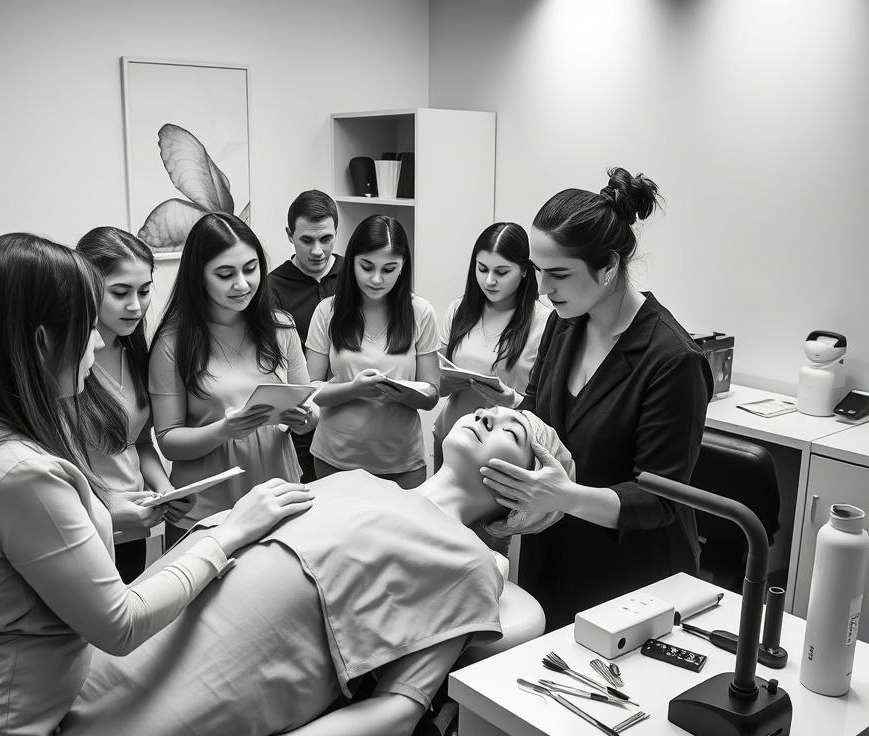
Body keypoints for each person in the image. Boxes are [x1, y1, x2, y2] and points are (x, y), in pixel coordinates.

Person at [0, 233, 313, 736]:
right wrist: (229, 532)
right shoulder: (17, 470)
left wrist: (113, 512)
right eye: (89, 328)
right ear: (43, 341)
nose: (97, 345)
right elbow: (121, 624)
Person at [39, 406, 568, 736]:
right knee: (48, 706)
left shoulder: (470, 561)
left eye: (513, 432)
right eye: (491, 411)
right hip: (174, 598)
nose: (487, 415)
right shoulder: (357, 478)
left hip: (236, 670)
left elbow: (398, 713)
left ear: (525, 492)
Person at [480, 167, 714, 631]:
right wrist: (502, 431)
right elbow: (538, 413)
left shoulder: (673, 359)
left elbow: (659, 499)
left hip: (633, 579)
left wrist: (563, 496)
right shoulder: (564, 324)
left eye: (559, 274)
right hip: (555, 558)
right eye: (537, 272)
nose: (542, 290)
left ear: (608, 267)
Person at [149, 212, 315, 547]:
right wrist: (225, 430)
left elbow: (310, 407)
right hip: (207, 512)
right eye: (225, 274)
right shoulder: (173, 342)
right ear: (199, 277)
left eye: (250, 269)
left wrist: (305, 419)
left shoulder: (281, 327)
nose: (242, 284)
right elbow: (168, 439)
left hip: (279, 496)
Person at [75, 226, 187, 582]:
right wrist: (105, 503)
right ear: (87, 287)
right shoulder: (68, 365)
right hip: (85, 525)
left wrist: (164, 489)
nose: (136, 306)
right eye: (120, 293)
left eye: (144, 291)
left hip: (135, 525)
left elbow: (138, 443)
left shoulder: (137, 353)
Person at [306, 215, 440, 488]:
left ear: (403, 267)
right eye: (366, 267)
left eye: (389, 269)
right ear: (352, 262)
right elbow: (310, 391)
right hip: (335, 459)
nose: (377, 279)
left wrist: (403, 392)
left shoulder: (421, 312)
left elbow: (431, 394)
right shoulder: (327, 311)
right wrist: (353, 389)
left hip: (402, 463)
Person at [434, 222, 551, 473]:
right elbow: (437, 384)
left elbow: (546, 408)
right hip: (452, 438)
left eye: (501, 272)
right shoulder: (459, 310)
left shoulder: (544, 322)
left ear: (524, 270)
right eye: (482, 269)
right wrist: (448, 382)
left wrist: (511, 399)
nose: (489, 280)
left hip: (504, 455)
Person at [267, 190, 342, 481]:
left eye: (326, 239)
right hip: (299, 423)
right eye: (307, 240)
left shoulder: (354, 275)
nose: (318, 251)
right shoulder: (271, 287)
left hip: (352, 417)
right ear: (290, 235)